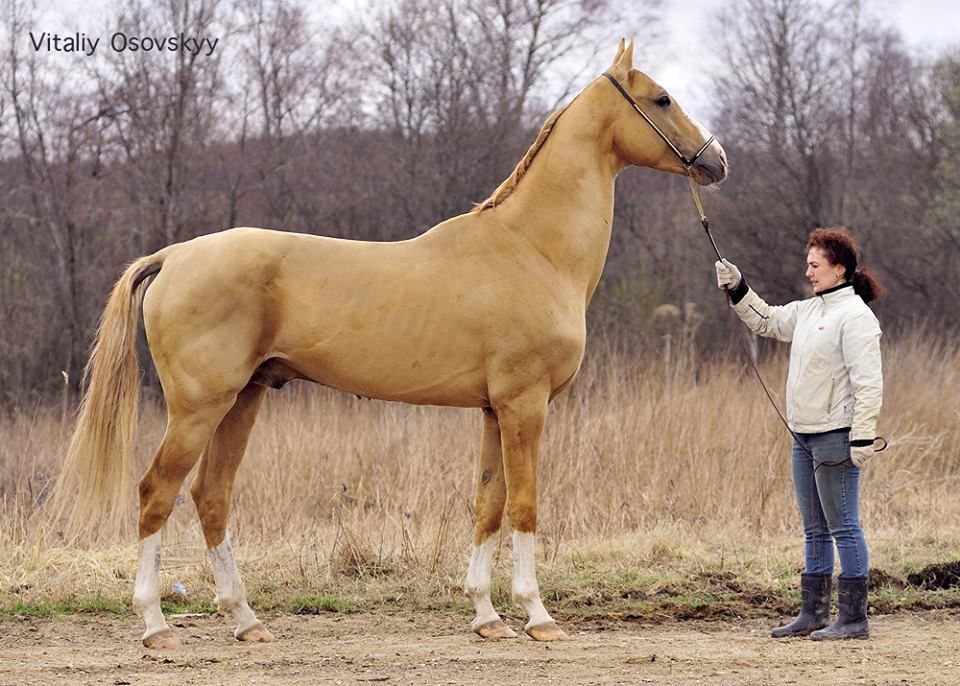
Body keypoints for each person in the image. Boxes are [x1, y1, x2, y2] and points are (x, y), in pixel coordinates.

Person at [715, 227, 885, 641]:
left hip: (836, 437)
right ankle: (813, 613)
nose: (808, 272)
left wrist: (862, 435)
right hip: (803, 436)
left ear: (839, 269)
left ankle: (854, 619)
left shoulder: (856, 317)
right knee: (813, 528)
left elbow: (869, 383)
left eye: (815, 265)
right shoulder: (809, 311)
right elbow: (768, 321)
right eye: (808, 264)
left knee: (843, 525)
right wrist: (738, 288)